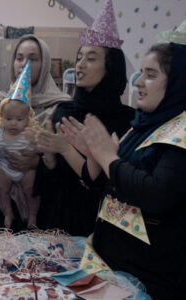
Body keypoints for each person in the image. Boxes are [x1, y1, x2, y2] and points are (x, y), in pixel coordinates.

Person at [67, 42, 186, 299]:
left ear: (179, 81)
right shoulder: (142, 124)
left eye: (151, 75)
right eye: (142, 73)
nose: (138, 83)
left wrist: (108, 158)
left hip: (151, 279)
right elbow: (111, 187)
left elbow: (156, 194)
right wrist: (95, 158)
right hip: (110, 265)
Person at [27, 0, 135, 236]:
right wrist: (49, 156)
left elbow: (114, 185)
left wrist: (68, 149)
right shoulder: (64, 111)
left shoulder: (126, 121)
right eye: (79, 57)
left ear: (111, 67)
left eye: (91, 58)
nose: (80, 65)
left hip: (97, 226)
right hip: (56, 222)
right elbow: (46, 183)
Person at [0, 34, 70, 232]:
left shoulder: (60, 107)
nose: (24, 64)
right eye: (19, 58)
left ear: (45, 64)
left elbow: (65, 165)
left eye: (33, 58)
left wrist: (37, 162)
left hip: (41, 206)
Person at [0, 62, 40, 229]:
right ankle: (8, 213)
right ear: (1, 116)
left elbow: (41, 149)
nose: (13, 123)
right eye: (8, 118)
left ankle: (33, 216)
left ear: (28, 119)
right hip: (5, 168)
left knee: (30, 190)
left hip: (26, 171)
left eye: (19, 119)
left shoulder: (29, 132)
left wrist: (38, 154)